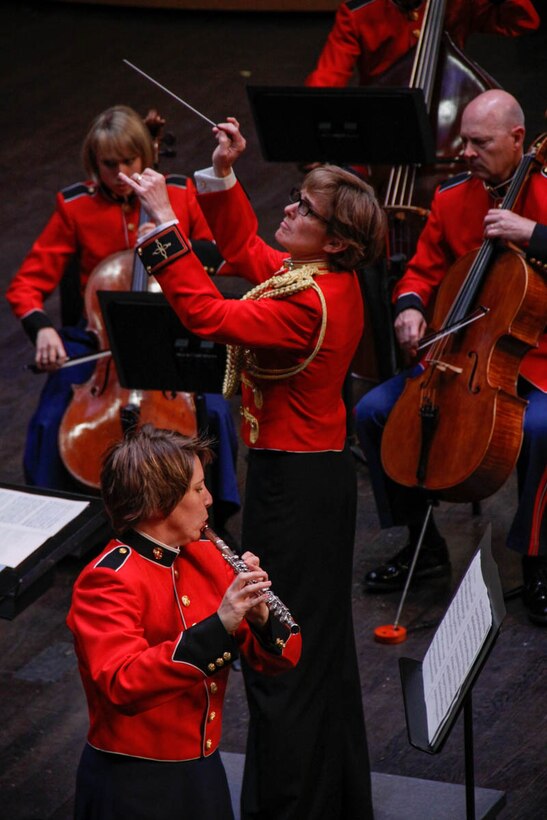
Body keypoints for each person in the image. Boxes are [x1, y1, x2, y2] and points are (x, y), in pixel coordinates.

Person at [120, 118, 386, 819]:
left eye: (303, 209)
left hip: (295, 490)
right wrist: (222, 173)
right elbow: (243, 248)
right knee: (317, 645)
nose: (288, 209)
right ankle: (330, 797)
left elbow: (207, 314)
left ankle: (290, 805)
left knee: (280, 648)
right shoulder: (318, 276)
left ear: (335, 240)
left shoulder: (306, 305)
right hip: (312, 477)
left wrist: (162, 223)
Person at [354, 89, 547, 626]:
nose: (466, 152)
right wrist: (410, 308)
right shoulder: (453, 197)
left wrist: (535, 235)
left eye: (480, 143)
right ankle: (423, 544)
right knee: (373, 412)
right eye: (464, 140)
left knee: (541, 430)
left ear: (517, 139)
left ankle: (538, 559)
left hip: (538, 360)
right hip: (463, 353)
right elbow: (421, 271)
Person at [5, 104, 240, 529]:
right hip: (102, 340)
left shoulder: (179, 193)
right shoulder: (75, 207)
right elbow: (26, 285)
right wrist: (42, 330)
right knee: (49, 417)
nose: (119, 173)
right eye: (108, 164)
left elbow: (218, 254)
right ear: (93, 163)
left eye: (129, 161)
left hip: (171, 328)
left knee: (217, 413)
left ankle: (212, 516)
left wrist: (170, 233)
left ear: (146, 156)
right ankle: (55, 523)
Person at [67, 423, 301, 820]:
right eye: (197, 489)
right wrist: (220, 625)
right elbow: (123, 684)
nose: (209, 498)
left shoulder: (206, 556)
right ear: (161, 502)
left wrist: (262, 617)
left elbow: (285, 657)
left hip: (203, 771)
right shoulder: (108, 580)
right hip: (133, 785)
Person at [305, 0, 540, 88]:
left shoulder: (457, 3)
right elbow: (327, 78)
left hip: (449, 108)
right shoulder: (359, 13)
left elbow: (522, 22)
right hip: (384, 111)